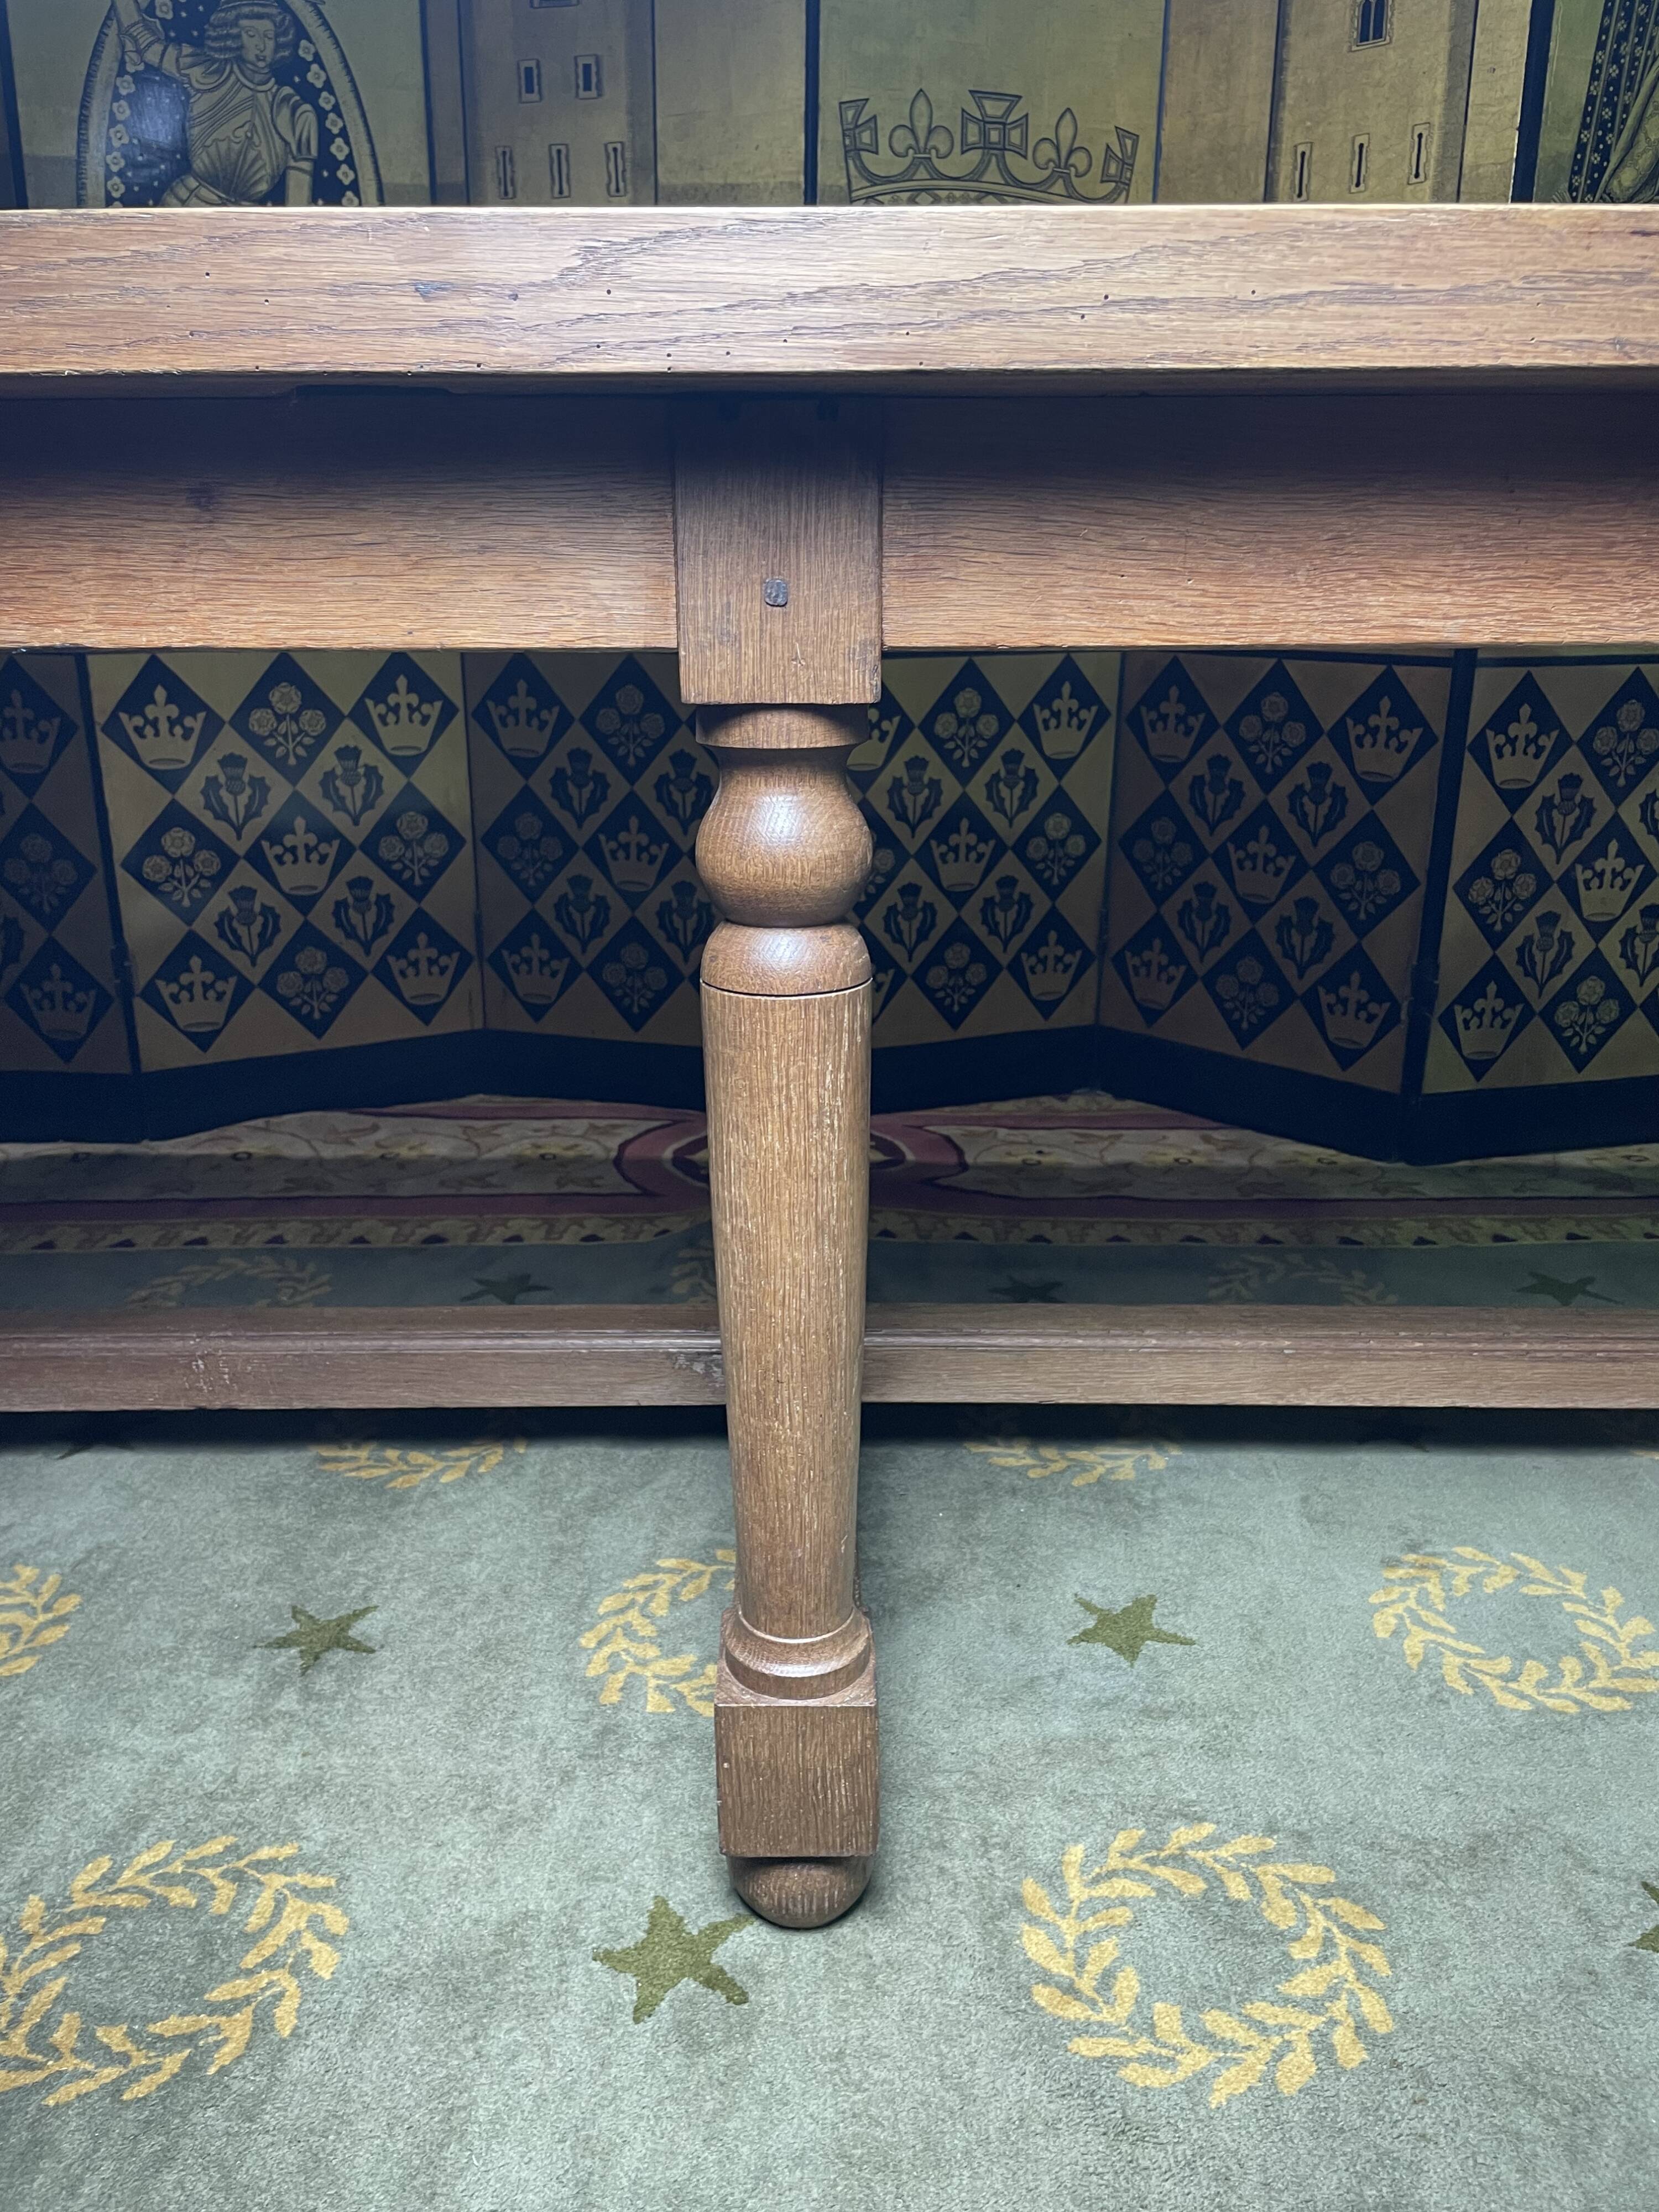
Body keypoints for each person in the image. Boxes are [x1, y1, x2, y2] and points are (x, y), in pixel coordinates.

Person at [111, 0, 319, 206]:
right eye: (251, 34)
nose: (262, 46)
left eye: (269, 36)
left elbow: (298, 208)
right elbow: (146, 44)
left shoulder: (293, 110)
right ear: (233, 35)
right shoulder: (209, 71)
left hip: (247, 220)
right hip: (187, 204)